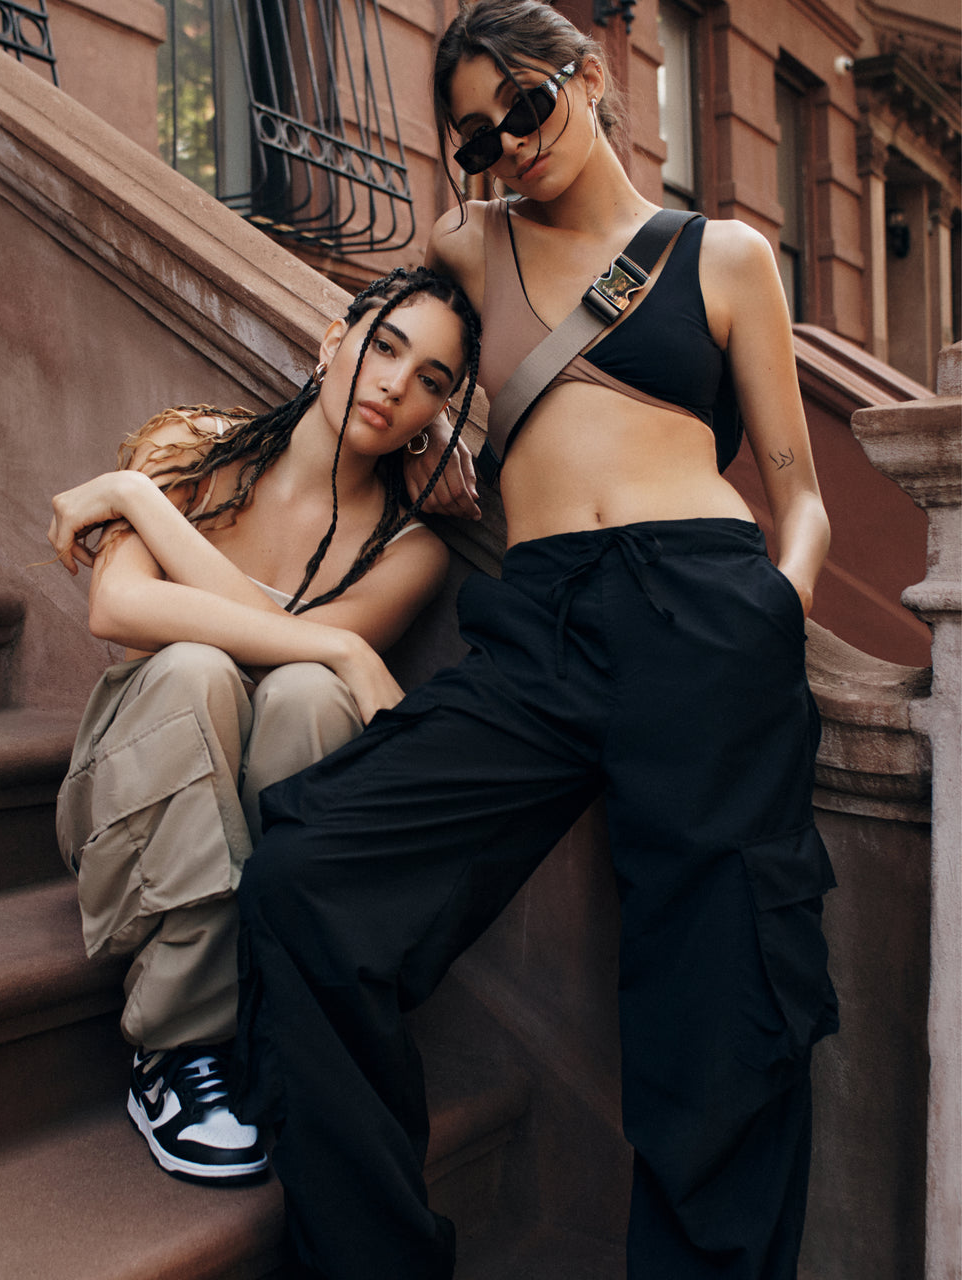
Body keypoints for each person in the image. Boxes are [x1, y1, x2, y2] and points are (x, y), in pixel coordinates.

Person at [231, 1, 839, 1275]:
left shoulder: (724, 256)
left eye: (524, 104)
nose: (507, 143)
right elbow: (379, 350)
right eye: (473, 136)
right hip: (540, 628)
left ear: (588, 75)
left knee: (720, 1001)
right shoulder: (471, 244)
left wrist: (773, 608)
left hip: (706, 618)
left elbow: (804, 492)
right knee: (310, 876)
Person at [47, 266, 481, 1186]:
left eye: (432, 381)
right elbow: (118, 606)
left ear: (436, 415)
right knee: (205, 669)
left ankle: (261, 1012)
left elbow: (306, 668)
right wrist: (147, 491)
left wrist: (134, 502)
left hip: (261, 828)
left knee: (308, 695)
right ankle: (175, 1050)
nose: (396, 384)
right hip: (129, 806)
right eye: (384, 345)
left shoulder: (408, 553)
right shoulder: (192, 446)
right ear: (333, 341)